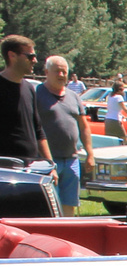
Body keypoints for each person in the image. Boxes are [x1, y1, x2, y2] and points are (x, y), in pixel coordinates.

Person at [34, 55, 93, 215]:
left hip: (72, 159)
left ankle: (66, 233)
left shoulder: (73, 96)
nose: (61, 75)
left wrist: (90, 154)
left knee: (69, 204)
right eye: (57, 71)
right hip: (46, 161)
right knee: (49, 204)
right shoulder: (37, 94)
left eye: (64, 71)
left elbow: (84, 127)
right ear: (46, 72)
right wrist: (46, 160)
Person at [0, 34, 48, 163]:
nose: (35, 60)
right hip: (5, 169)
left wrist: (50, 163)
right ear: (12, 56)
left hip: (30, 166)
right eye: (30, 56)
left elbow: (38, 130)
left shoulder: (29, 88)